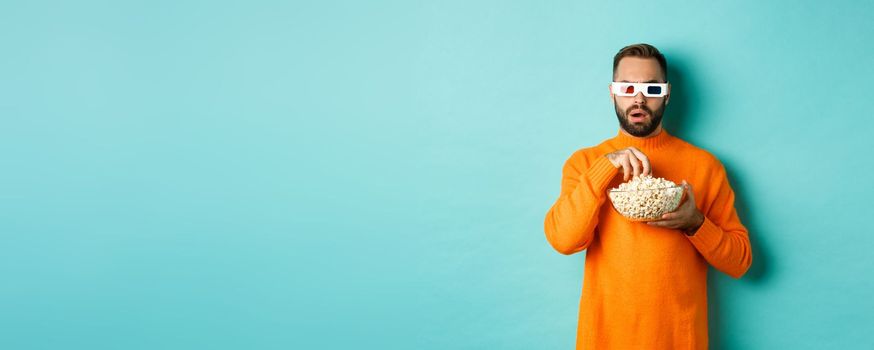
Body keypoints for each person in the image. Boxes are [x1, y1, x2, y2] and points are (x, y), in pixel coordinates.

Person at [543, 43, 753, 349]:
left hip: (680, 340)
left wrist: (695, 224)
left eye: (652, 89)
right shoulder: (586, 163)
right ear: (612, 92)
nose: (638, 98)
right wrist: (605, 168)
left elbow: (740, 261)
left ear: (667, 94)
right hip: (605, 339)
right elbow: (563, 240)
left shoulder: (705, 166)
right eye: (627, 87)